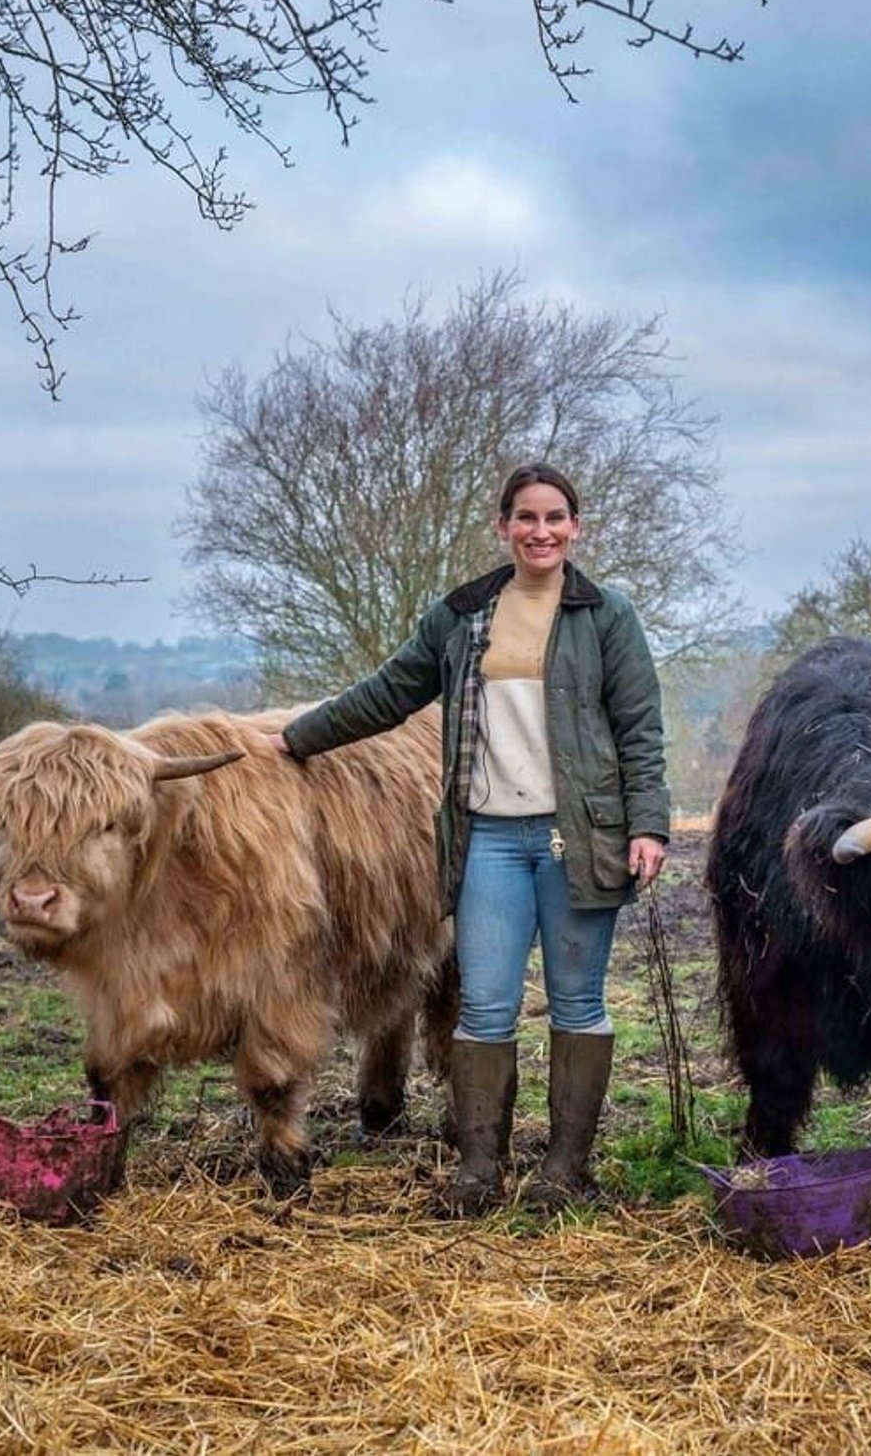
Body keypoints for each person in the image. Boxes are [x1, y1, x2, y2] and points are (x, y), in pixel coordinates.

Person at [265, 462, 669, 1213]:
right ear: (504, 527)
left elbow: (640, 730)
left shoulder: (607, 616)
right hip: (487, 839)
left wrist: (648, 823)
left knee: (578, 1004)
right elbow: (389, 693)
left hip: (578, 838)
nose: (540, 531)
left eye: (555, 518)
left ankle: (565, 1172)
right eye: (526, 518)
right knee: (484, 1007)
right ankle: (480, 1171)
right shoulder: (461, 616)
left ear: (575, 528)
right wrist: (294, 739)